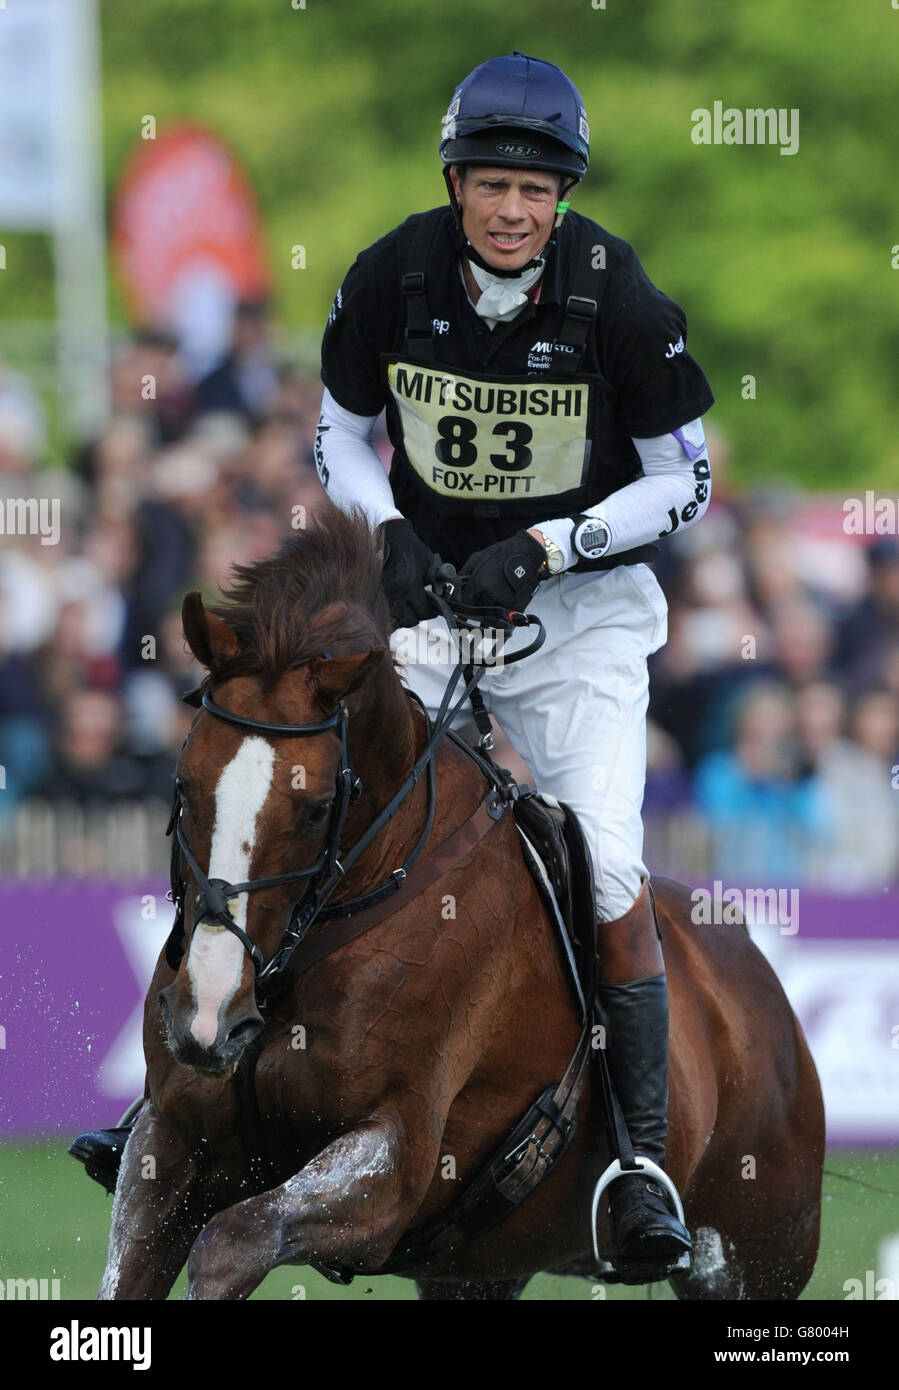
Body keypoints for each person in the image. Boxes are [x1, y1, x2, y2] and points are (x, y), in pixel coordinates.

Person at [314, 51, 715, 1281]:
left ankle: (639, 1161)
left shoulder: (618, 296)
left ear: (562, 197)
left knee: (598, 858)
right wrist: (386, 531)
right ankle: (197, 1091)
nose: (511, 210)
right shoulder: (393, 270)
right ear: (453, 181)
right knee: (314, 804)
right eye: (490, 184)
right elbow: (337, 428)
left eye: (535, 191)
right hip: (436, 598)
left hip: (578, 618)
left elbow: (684, 477)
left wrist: (552, 542)